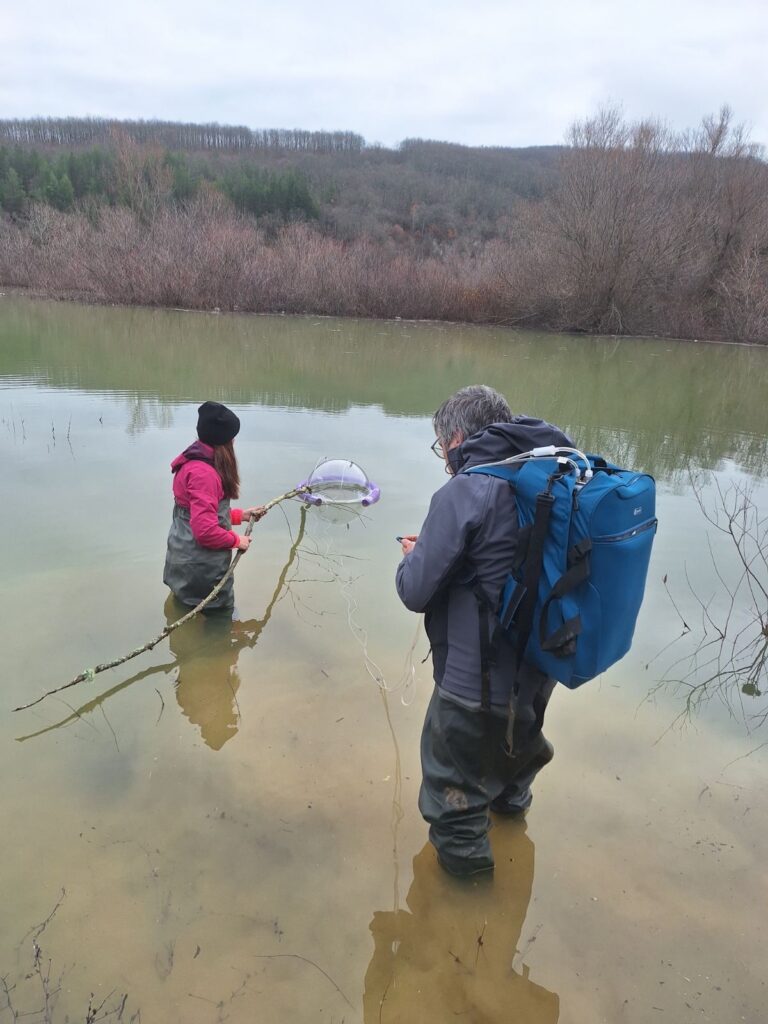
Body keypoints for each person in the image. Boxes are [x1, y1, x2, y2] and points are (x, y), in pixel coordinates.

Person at [396, 385, 571, 877]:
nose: (444, 459)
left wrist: (413, 557)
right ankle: (511, 877)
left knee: (455, 814)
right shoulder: (548, 478)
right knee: (512, 779)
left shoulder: (466, 490)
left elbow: (414, 591)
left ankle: (467, 910)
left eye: (441, 446)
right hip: (537, 676)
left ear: (456, 438)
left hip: (470, 691)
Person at [163, 400, 266, 612]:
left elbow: (199, 514)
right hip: (201, 569)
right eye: (232, 436)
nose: (234, 440)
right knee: (219, 615)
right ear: (224, 440)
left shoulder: (194, 461)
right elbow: (205, 531)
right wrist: (237, 541)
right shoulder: (204, 475)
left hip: (183, 560)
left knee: (184, 608)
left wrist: (241, 516)